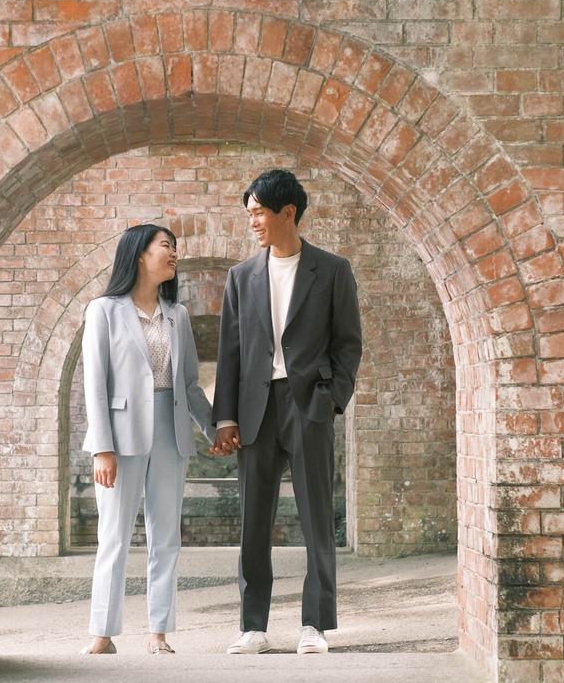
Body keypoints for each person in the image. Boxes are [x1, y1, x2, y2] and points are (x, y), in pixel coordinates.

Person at [210, 169, 363, 655]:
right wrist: (225, 416)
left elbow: (348, 344)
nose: (253, 222)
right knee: (253, 518)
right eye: (249, 213)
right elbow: (230, 351)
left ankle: (314, 625)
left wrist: (331, 398)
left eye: (259, 212)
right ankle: (252, 625)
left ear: (288, 212)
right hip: (255, 410)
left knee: (317, 516)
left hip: (309, 406)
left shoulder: (333, 270)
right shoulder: (241, 277)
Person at [80, 224, 214, 655]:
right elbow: (94, 384)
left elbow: (191, 385)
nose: (173, 253)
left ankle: (159, 632)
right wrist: (102, 447)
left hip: (170, 434)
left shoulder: (178, 315)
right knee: (114, 536)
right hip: (119, 438)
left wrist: (215, 430)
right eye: (165, 246)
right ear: (140, 254)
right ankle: (103, 633)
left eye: (174, 247)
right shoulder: (103, 310)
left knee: (166, 537)